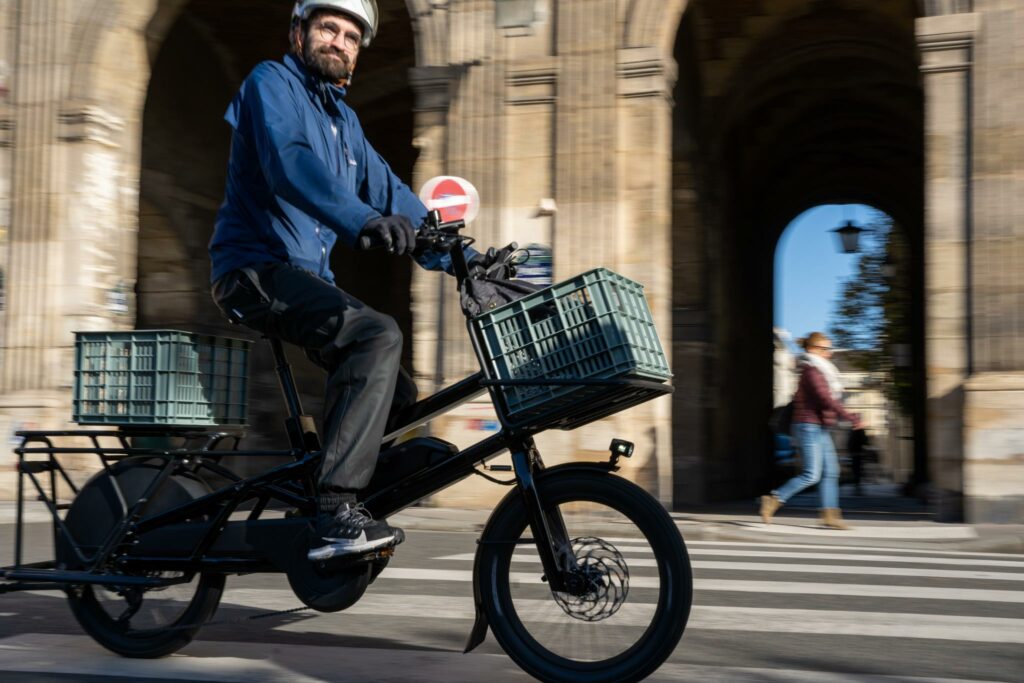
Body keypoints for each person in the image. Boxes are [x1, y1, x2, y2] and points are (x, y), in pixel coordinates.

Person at [208, 0, 493, 562]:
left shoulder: (346, 124)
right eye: (327, 28)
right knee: (376, 335)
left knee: (400, 391)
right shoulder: (272, 85)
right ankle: (336, 507)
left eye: (351, 37)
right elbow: (291, 164)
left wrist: (461, 258)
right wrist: (362, 221)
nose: (338, 41)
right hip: (252, 270)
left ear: (359, 52)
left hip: (302, 276)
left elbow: (394, 195)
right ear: (299, 33)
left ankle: (347, 487)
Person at [760, 332, 864, 530]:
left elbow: (828, 400)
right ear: (813, 349)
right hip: (808, 426)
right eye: (826, 349)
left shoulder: (822, 370)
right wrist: (851, 417)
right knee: (811, 474)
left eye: (830, 349)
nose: (830, 353)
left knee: (831, 472)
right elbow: (825, 399)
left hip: (819, 427)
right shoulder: (811, 371)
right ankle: (774, 499)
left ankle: (830, 515)